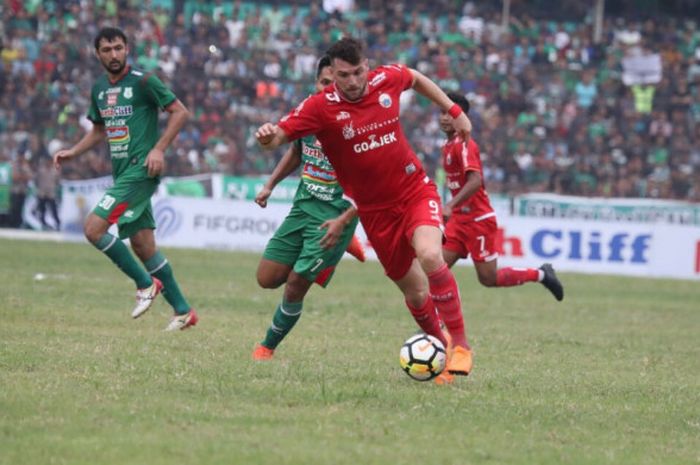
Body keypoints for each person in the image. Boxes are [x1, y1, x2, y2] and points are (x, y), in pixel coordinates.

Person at [255, 38, 473, 384]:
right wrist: (268, 135)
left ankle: (461, 346)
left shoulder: (385, 80)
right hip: (374, 213)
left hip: (414, 190)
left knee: (431, 255)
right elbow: (281, 136)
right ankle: (442, 350)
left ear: (367, 66)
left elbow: (415, 77)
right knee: (415, 294)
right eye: (344, 75)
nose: (354, 81)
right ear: (334, 75)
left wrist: (454, 109)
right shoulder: (319, 107)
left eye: (359, 72)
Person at [52, 27, 198, 331]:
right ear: (98, 54)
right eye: (107, 50)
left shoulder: (144, 81)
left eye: (118, 48)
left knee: (93, 229)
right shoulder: (99, 89)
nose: (114, 54)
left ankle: (146, 284)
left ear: (127, 48)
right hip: (123, 173)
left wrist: (159, 148)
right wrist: (73, 153)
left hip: (141, 170)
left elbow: (180, 112)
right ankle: (183, 311)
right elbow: (98, 130)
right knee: (143, 246)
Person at [252, 56, 365, 360]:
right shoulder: (309, 112)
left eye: (335, 83)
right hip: (302, 209)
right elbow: (295, 150)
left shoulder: (358, 120)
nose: (329, 89)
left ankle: (266, 347)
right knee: (266, 279)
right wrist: (269, 185)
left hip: (333, 218)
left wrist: (346, 218)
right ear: (317, 83)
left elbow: (372, 182)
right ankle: (339, 250)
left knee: (294, 285)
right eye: (324, 82)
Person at [439, 92, 564, 301]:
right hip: (458, 221)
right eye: (442, 112)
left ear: (462, 118)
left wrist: (450, 205)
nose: (444, 118)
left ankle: (541, 274)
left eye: (450, 114)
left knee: (488, 278)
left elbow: (475, 180)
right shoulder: (447, 146)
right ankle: (439, 324)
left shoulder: (465, 145)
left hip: (477, 219)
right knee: (435, 271)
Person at [35, 156, 61, 231]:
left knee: (53, 210)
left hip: (51, 193)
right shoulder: (41, 170)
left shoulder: (54, 171)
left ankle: (57, 223)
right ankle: (43, 224)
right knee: (42, 210)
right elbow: (36, 180)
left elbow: (57, 181)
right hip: (42, 193)